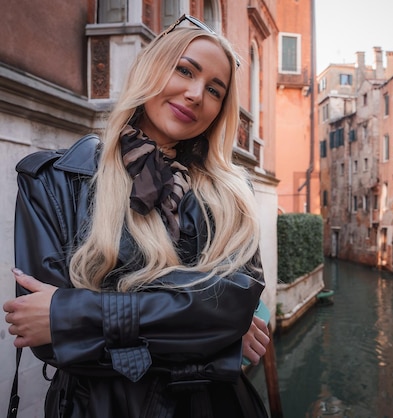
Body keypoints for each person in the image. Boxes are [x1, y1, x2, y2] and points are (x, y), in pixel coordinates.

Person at [3, 15, 271, 418]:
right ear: (151, 67)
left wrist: (74, 312)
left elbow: (233, 307)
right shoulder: (53, 180)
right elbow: (48, 340)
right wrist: (212, 338)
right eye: (185, 70)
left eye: (215, 90)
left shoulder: (234, 196)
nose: (197, 94)